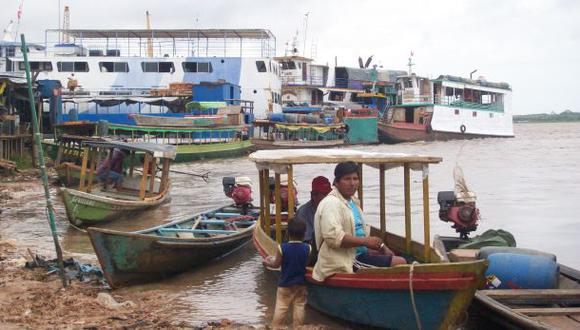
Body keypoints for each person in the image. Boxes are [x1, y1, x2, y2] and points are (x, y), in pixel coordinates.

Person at [312, 161, 406, 282]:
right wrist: (366, 242)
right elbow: (334, 238)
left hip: (358, 254)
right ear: (336, 182)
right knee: (400, 263)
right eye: (347, 179)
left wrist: (381, 246)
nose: (352, 183)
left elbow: (359, 233)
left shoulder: (353, 202)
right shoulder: (331, 204)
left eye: (355, 179)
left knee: (394, 255)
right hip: (347, 261)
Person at [263, 218, 311, 329]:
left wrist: (266, 263)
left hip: (285, 284)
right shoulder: (308, 248)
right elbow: (306, 263)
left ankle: (276, 326)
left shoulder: (282, 248)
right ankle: (298, 327)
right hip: (301, 283)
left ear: (288, 233)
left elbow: (276, 264)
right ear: (304, 234)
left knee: (281, 307)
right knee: (299, 306)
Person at [296, 176, 332, 262]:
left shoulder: (335, 206)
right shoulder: (303, 212)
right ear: (313, 195)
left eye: (329, 194)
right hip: (312, 253)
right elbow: (306, 242)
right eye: (323, 194)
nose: (328, 197)